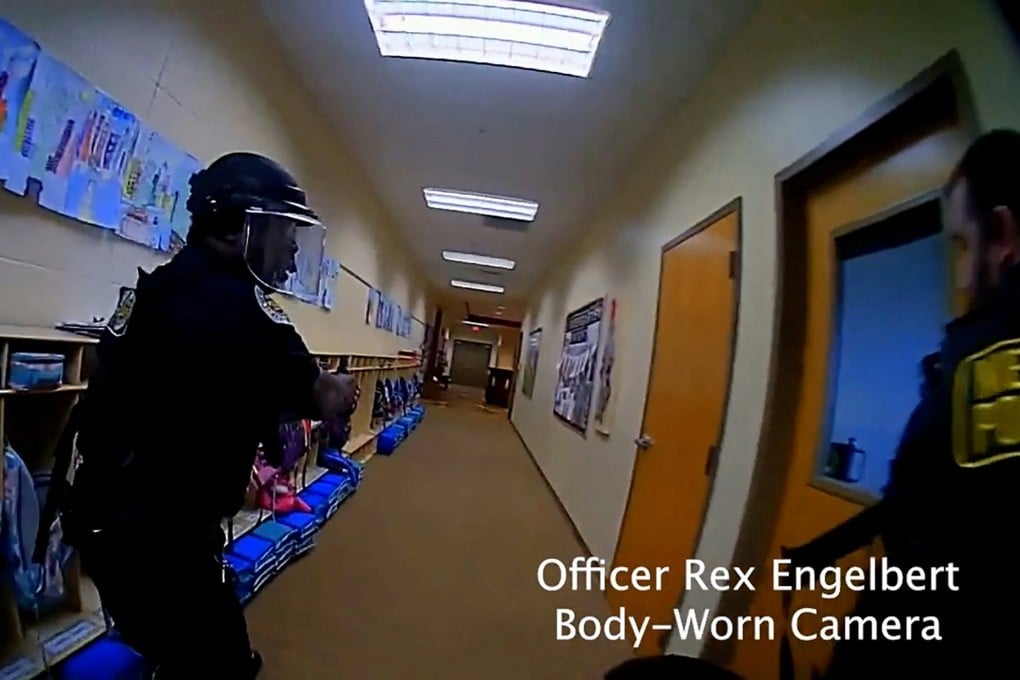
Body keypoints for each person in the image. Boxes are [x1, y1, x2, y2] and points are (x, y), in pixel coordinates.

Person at [46, 152, 360, 679]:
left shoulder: (164, 287)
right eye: (282, 229)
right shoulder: (239, 307)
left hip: (112, 525)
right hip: (155, 542)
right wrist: (342, 385)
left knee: (182, 648)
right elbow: (325, 398)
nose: (289, 247)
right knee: (219, 667)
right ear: (237, 228)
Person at [782, 128, 1020, 677]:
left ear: (1003, 235)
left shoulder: (989, 368)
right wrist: (820, 555)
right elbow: (925, 499)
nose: (960, 275)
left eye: (962, 244)